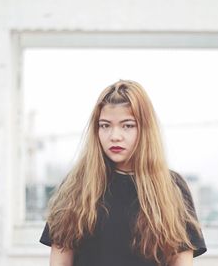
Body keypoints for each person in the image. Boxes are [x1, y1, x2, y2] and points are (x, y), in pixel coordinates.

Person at [39, 80, 207, 266]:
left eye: (127, 125)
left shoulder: (172, 188)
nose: (115, 136)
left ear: (145, 129)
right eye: (105, 125)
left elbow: (181, 261)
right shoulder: (76, 186)